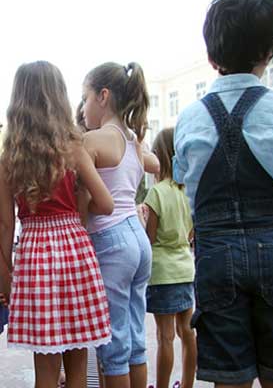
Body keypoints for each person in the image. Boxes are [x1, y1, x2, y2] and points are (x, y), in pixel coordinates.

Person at [173, 0, 273, 386]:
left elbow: (184, 176)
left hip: (216, 251)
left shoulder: (190, 118)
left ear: (212, 57)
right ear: (270, 51)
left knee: (229, 376)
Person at [0, 61, 114, 388]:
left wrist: (5, 277)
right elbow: (105, 203)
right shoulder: (74, 148)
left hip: (34, 257)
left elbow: (5, 226)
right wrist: (78, 204)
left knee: (46, 373)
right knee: (78, 370)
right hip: (75, 254)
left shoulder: (8, 159)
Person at [81, 61, 156, 388]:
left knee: (113, 347)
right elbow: (156, 163)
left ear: (103, 96)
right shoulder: (134, 141)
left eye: (85, 98)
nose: (83, 107)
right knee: (135, 342)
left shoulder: (94, 141)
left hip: (110, 240)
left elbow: (84, 202)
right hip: (138, 239)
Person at [144, 128, 196, 388]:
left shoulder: (156, 193)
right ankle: (187, 384)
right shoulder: (189, 192)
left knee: (165, 336)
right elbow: (190, 234)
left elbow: (150, 238)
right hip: (185, 268)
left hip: (162, 271)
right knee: (187, 332)